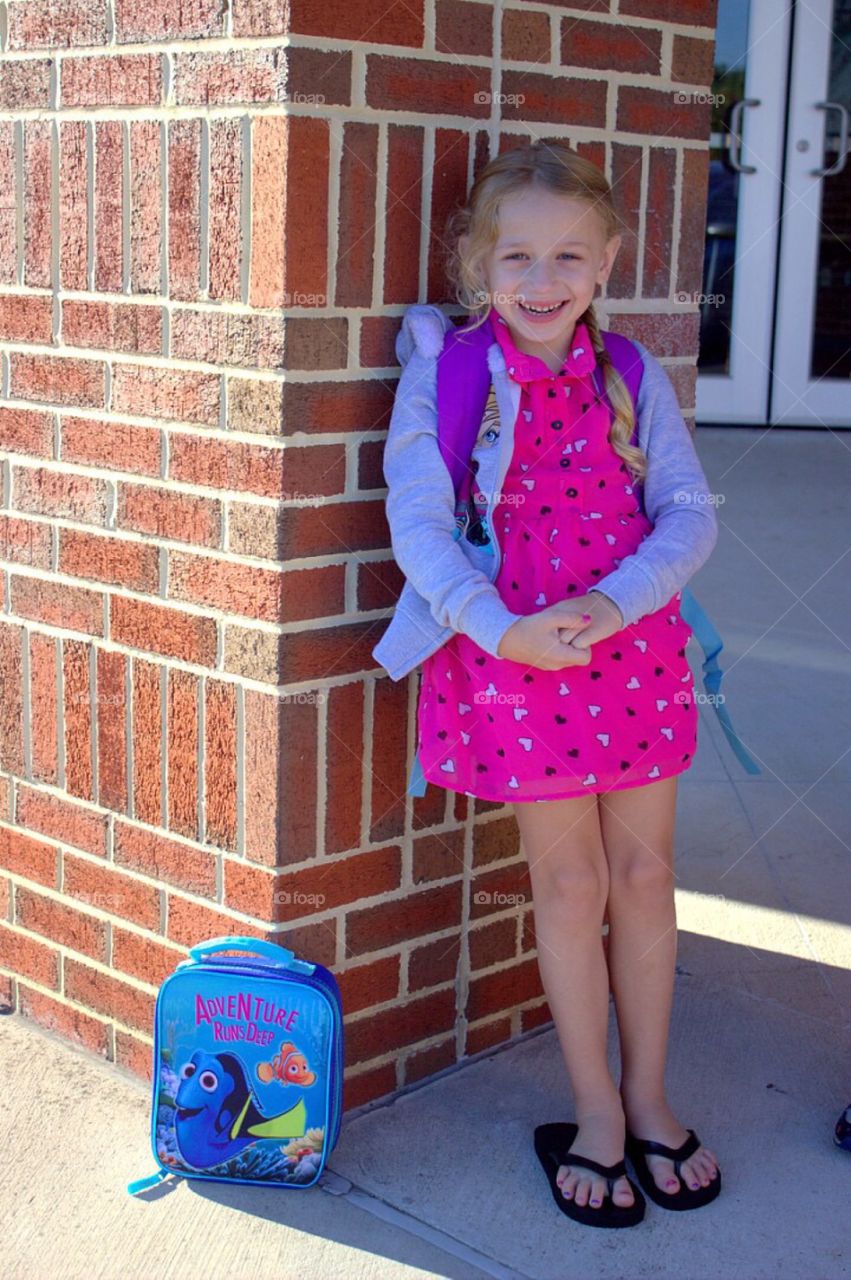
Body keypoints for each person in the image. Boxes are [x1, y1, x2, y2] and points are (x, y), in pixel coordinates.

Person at [378, 141, 722, 1228]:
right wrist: (498, 629)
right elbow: (420, 525)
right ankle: (594, 1114)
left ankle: (650, 1093)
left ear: (607, 259)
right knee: (570, 888)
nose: (541, 280)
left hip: (631, 650)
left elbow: (688, 513)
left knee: (646, 872)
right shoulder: (448, 372)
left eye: (567, 255)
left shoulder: (629, 375)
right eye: (516, 256)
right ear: (478, 266)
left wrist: (619, 603)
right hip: (518, 658)